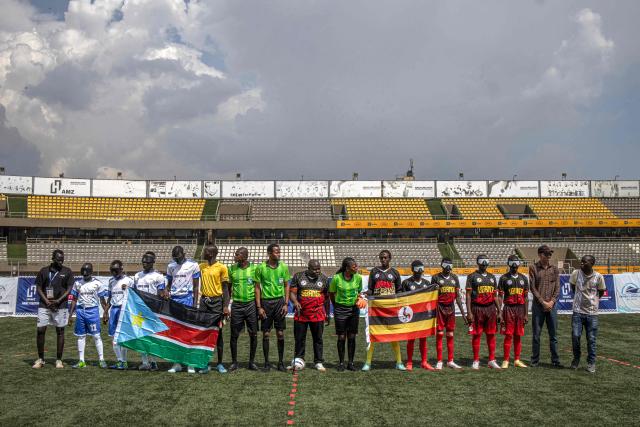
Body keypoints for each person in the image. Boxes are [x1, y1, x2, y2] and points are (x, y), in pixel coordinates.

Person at [362, 250, 405, 371]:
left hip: (391, 309)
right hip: (376, 308)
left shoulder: (395, 273)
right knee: (373, 334)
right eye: (381, 258)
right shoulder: (374, 272)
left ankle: (399, 362)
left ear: (390, 258)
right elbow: (370, 289)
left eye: (385, 258)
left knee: (394, 335)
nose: (383, 260)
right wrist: (366, 293)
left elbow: (399, 291)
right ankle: (368, 363)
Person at [161, 245, 201, 373]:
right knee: (175, 333)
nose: (177, 260)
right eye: (175, 258)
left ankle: (190, 364)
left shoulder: (193, 265)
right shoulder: (171, 266)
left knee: (188, 332)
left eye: (178, 257)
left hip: (187, 299)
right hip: (174, 301)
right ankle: (176, 363)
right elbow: (168, 284)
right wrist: (167, 291)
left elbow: (196, 287)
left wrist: (195, 305)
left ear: (184, 254)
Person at [33, 249, 74, 369]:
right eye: (58, 259)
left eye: (62, 259)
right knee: (40, 330)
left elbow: (69, 289)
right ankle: (41, 359)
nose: (61, 261)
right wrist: (47, 301)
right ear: (53, 258)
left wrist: (58, 300)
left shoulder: (67, 271)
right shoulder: (44, 271)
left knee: (60, 331)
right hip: (44, 305)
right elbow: (39, 288)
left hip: (60, 306)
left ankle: (59, 360)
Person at [255, 243, 291, 372]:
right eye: (276, 252)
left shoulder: (283, 267)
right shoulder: (260, 268)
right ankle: (266, 362)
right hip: (266, 303)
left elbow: (287, 285)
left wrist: (286, 304)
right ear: (269, 253)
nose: (279, 254)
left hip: (279, 303)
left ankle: (280, 362)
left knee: (280, 333)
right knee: (266, 334)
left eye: (279, 251)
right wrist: (259, 307)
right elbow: (257, 288)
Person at [289, 259, 330, 371]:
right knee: (299, 339)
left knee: (318, 339)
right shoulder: (298, 276)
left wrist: (327, 314)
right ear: (308, 268)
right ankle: (299, 359)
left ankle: (318, 362)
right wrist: (295, 302)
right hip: (301, 314)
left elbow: (326, 298)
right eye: (315, 269)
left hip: (317, 314)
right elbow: (292, 293)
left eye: (319, 268)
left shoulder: (324, 279)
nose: (318, 271)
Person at [570, 255, 606, 373]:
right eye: (581, 262)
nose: (581, 264)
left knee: (591, 339)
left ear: (591, 263)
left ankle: (591, 363)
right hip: (577, 312)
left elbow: (601, 292)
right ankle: (576, 358)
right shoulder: (576, 273)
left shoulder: (599, 277)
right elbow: (572, 287)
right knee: (575, 336)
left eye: (584, 262)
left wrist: (593, 302)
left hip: (592, 314)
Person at [68, 263, 108, 369]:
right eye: (83, 274)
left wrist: (105, 313)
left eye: (87, 274)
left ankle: (101, 359)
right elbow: (74, 299)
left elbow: (102, 300)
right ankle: (81, 361)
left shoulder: (97, 283)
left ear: (91, 272)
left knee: (96, 336)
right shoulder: (77, 283)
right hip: (80, 311)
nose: (85, 276)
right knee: (81, 336)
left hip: (93, 311)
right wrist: (70, 314)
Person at [465, 255, 502, 370]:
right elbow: (468, 295)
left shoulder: (492, 277)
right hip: (477, 309)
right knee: (477, 335)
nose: (484, 264)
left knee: (491, 335)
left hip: (490, 309)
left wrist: (499, 311)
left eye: (486, 261)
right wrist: (469, 312)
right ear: (478, 263)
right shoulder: (472, 276)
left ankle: (492, 360)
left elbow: (495, 296)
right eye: (482, 261)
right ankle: (476, 360)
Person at [198, 245, 230, 374]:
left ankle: (220, 363)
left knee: (218, 334)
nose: (203, 253)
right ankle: (205, 363)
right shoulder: (201, 267)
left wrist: (226, 306)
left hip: (217, 302)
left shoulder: (222, 267)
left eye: (205, 251)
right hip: (204, 302)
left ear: (211, 254)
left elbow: (226, 289)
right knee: (204, 333)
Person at [529, 245, 562, 368]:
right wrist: (543, 302)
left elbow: (558, 287)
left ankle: (555, 360)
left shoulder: (554, 269)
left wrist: (552, 302)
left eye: (550, 254)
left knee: (553, 336)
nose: (549, 256)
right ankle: (535, 360)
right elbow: (532, 288)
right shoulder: (533, 268)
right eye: (546, 254)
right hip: (538, 307)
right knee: (536, 335)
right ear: (540, 254)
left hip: (552, 306)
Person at [431, 257, 466, 370]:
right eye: (446, 265)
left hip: (451, 309)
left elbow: (458, 297)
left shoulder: (454, 278)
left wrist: (464, 315)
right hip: (440, 308)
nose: (448, 268)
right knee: (440, 334)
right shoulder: (435, 277)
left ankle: (450, 360)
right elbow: (431, 296)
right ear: (442, 265)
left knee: (450, 335)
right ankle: (440, 361)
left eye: (450, 265)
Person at [133, 251, 165, 371]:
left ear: (153, 262)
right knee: (141, 337)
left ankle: (154, 362)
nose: (144, 263)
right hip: (139, 311)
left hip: (152, 311)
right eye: (143, 261)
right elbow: (135, 293)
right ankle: (145, 362)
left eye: (147, 262)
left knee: (151, 338)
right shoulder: (137, 276)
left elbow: (160, 294)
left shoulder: (158, 276)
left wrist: (164, 295)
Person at [329, 257, 363, 371]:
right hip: (340, 310)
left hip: (354, 310)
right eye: (354, 267)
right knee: (342, 336)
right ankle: (341, 363)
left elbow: (359, 292)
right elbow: (331, 293)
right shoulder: (336, 278)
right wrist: (337, 306)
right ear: (347, 268)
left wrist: (359, 299)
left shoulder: (358, 278)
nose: (356, 268)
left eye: (356, 266)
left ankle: (351, 363)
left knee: (352, 337)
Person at [228, 247, 259, 372]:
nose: (235, 256)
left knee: (253, 334)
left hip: (251, 305)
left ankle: (251, 362)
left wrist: (259, 306)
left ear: (245, 256)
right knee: (234, 334)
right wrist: (227, 305)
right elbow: (228, 289)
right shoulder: (231, 269)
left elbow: (258, 288)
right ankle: (234, 362)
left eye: (237, 254)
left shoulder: (254, 269)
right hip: (237, 305)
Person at [401, 260, 434, 371]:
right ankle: (409, 362)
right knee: (411, 339)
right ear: (412, 269)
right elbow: (402, 299)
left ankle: (424, 362)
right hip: (411, 315)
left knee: (423, 339)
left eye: (421, 268)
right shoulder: (406, 283)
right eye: (417, 268)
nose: (419, 271)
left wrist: (430, 313)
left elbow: (430, 300)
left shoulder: (426, 283)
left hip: (424, 315)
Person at [498, 255, 529, 369]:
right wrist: (499, 312)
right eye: (512, 263)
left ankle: (517, 359)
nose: (515, 266)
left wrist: (526, 314)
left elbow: (525, 297)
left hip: (520, 309)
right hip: (508, 309)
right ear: (509, 264)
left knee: (518, 335)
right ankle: (506, 360)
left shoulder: (523, 278)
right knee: (508, 335)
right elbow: (500, 297)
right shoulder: (504, 278)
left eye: (516, 263)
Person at [105, 260, 134, 370]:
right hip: (114, 310)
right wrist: (105, 312)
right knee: (114, 337)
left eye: (116, 270)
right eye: (112, 270)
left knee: (123, 337)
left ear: (121, 269)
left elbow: (135, 295)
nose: (113, 273)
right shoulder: (111, 281)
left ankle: (124, 361)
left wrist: (128, 289)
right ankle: (119, 361)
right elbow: (109, 297)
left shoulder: (129, 281)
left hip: (124, 310)